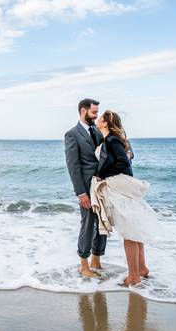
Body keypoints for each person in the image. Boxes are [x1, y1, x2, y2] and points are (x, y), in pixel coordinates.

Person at [94, 110, 160, 287]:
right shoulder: (111, 139)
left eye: (101, 118)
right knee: (134, 229)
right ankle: (142, 269)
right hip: (121, 187)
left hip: (119, 189)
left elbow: (123, 163)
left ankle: (134, 276)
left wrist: (101, 174)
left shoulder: (112, 140)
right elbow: (125, 159)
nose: (98, 119)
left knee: (129, 232)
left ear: (106, 123)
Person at [64, 98, 106, 278]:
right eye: (94, 112)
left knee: (103, 223)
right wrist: (81, 193)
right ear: (83, 111)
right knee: (88, 224)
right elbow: (73, 166)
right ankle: (83, 264)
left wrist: (128, 152)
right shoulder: (72, 134)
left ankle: (96, 260)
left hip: (103, 186)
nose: (96, 116)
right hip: (87, 188)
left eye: (97, 112)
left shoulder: (97, 130)